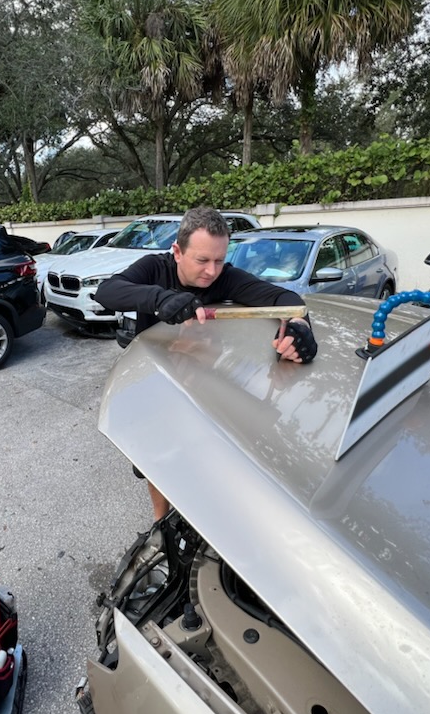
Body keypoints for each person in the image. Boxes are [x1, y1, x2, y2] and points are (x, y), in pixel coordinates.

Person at [95, 206, 317, 520]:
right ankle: (160, 524)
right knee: (155, 460)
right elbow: (107, 291)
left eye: (219, 260)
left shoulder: (225, 279)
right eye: (202, 260)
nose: (212, 272)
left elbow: (287, 301)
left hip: (208, 383)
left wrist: (301, 329)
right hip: (159, 384)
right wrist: (160, 299)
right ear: (177, 251)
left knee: (206, 456)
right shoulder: (154, 268)